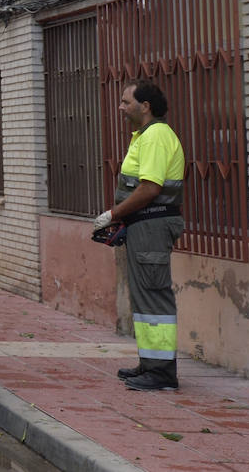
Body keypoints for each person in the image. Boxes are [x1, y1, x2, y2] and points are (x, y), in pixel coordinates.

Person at [92, 80, 186, 392]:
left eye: (125, 102)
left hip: (152, 225)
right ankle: (150, 364)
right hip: (144, 225)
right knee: (145, 298)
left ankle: (161, 374)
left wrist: (114, 214)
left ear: (144, 106)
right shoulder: (145, 135)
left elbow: (150, 188)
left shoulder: (156, 135)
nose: (120, 108)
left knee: (153, 297)